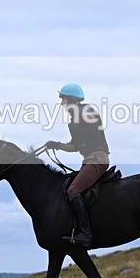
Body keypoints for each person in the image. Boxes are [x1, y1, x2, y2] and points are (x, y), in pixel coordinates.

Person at [43, 83, 110, 248]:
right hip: (89, 159)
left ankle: (85, 233)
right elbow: (76, 146)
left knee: (73, 190)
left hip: (97, 159)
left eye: (63, 99)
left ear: (71, 99)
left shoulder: (85, 112)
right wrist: (57, 145)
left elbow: (85, 135)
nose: (61, 103)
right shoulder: (75, 119)